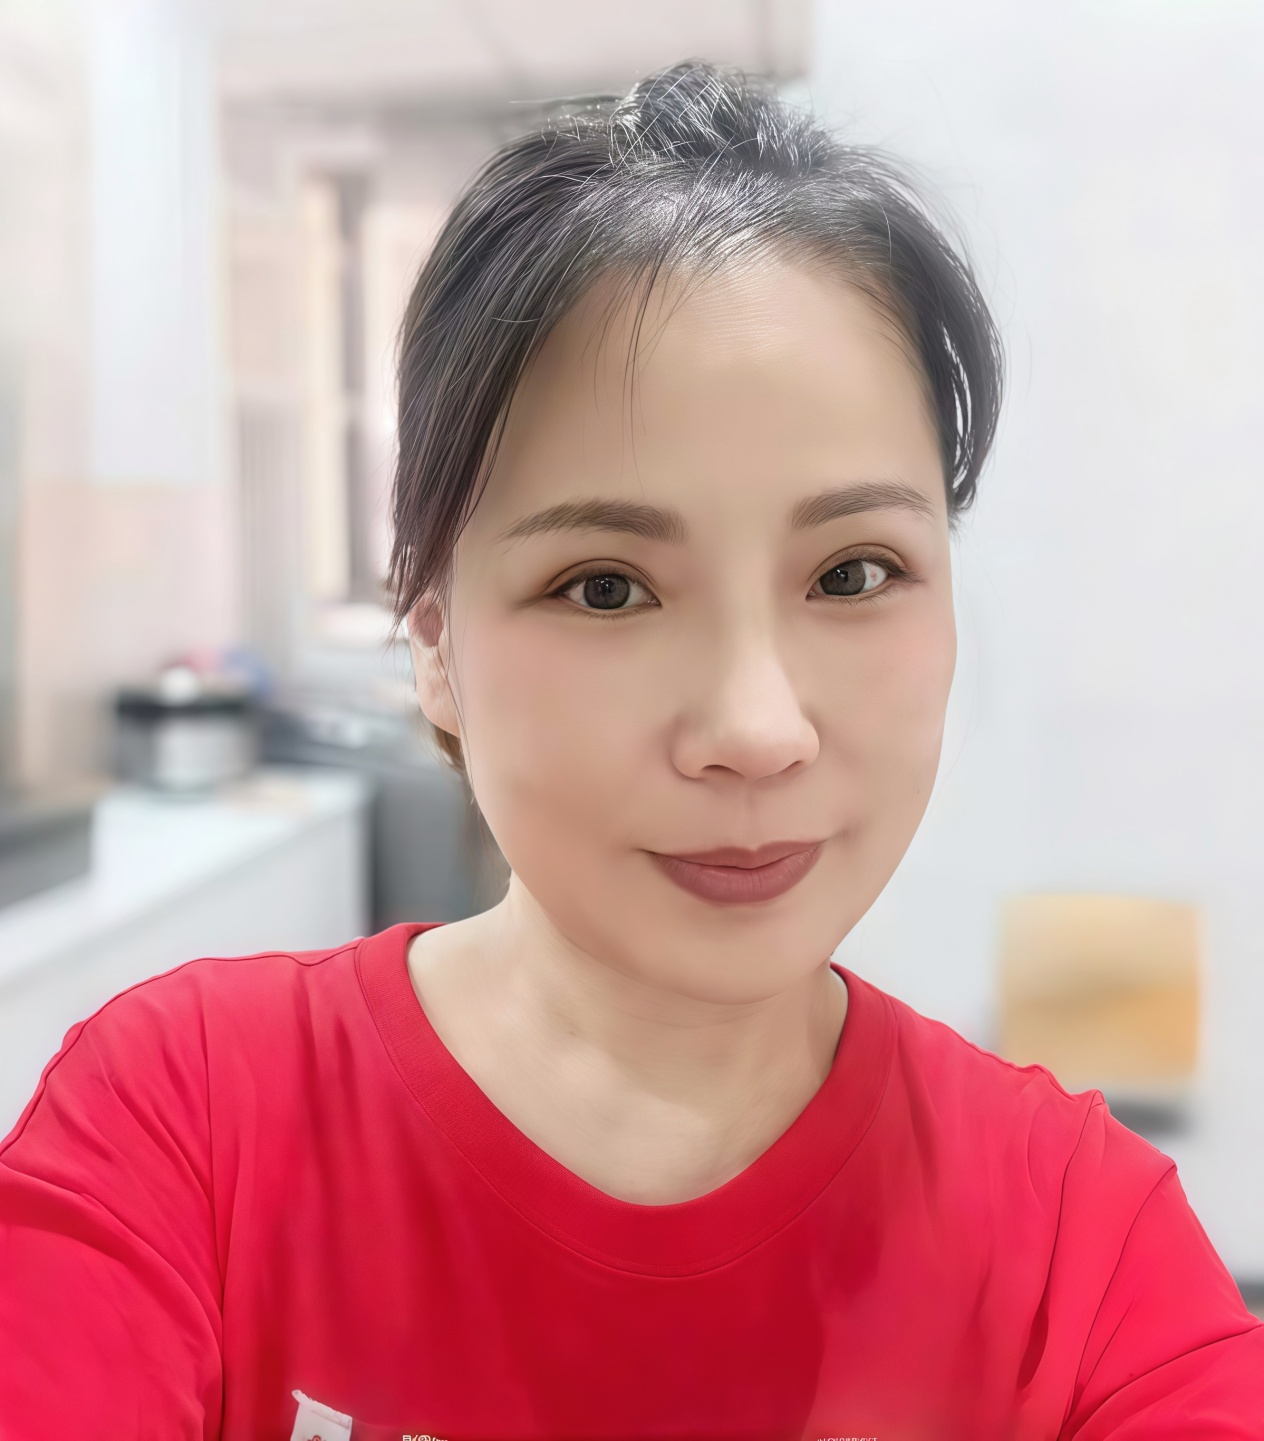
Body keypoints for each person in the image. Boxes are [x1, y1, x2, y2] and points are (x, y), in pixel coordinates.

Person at [1, 61, 1260, 1441]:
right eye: (606, 587)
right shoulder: (185, 1130)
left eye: (852, 572)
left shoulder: (1080, 1249)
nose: (756, 731)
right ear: (435, 643)